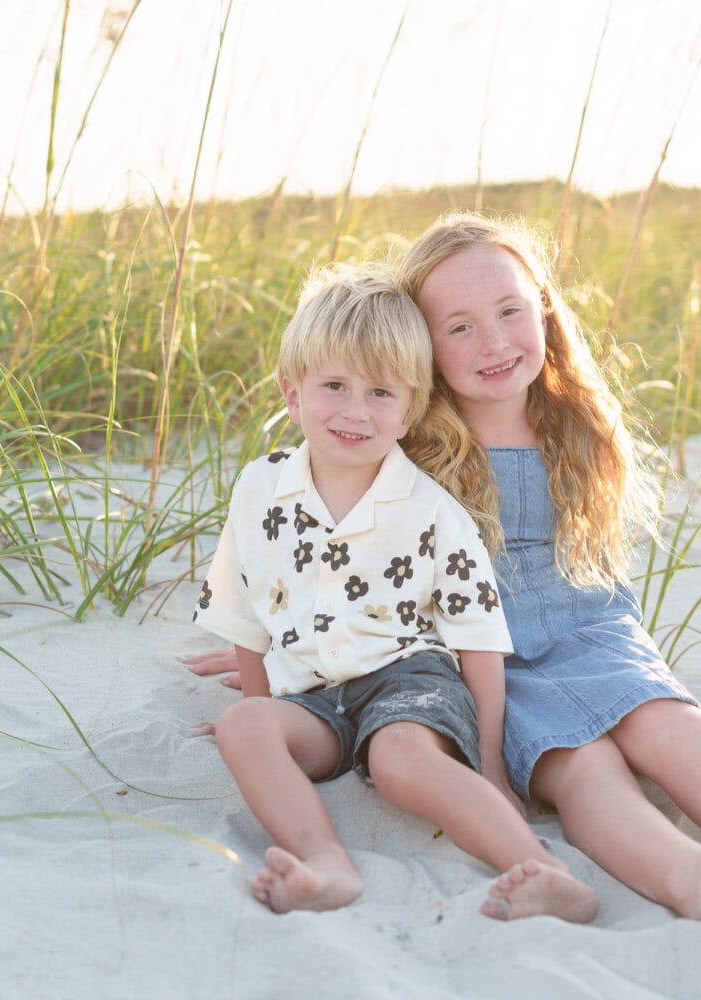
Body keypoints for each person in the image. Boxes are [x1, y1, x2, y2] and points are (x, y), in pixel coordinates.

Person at [189, 215, 701, 926]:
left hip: (589, 627)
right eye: (458, 327)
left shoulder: (576, 422)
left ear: (542, 307)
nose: (492, 342)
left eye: (510, 311)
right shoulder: (410, 438)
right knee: (582, 764)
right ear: (423, 354)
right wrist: (295, 645)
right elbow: (340, 541)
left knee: (662, 717)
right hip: (482, 656)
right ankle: (690, 875)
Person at [191, 264, 598, 923]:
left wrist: (489, 761)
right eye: (334, 386)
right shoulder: (259, 488)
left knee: (400, 758)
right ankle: (327, 862)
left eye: (380, 392)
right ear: (292, 394)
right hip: (314, 696)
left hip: (408, 682)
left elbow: (478, 636)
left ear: (409, 409)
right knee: (241, 725)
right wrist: (264, 715)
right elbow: (243, 613)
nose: (355, 410)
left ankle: (544, 870)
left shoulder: (431, 512)